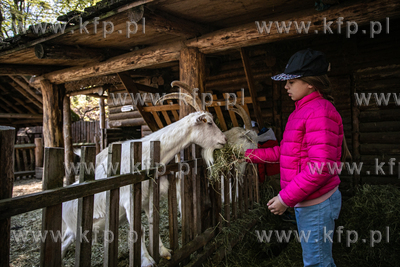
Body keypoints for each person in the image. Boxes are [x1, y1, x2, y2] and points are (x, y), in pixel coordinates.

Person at [244, 48, 351, 267]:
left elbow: (320, 167)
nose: (285, 87)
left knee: (317, 263)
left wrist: (285, 198)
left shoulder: (319, 111)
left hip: (317, 203)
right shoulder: (301, 111)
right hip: (308, 200)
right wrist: (248, 155)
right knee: (316, 259)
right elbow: (286, 152)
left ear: (310, 83)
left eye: (291, 82)